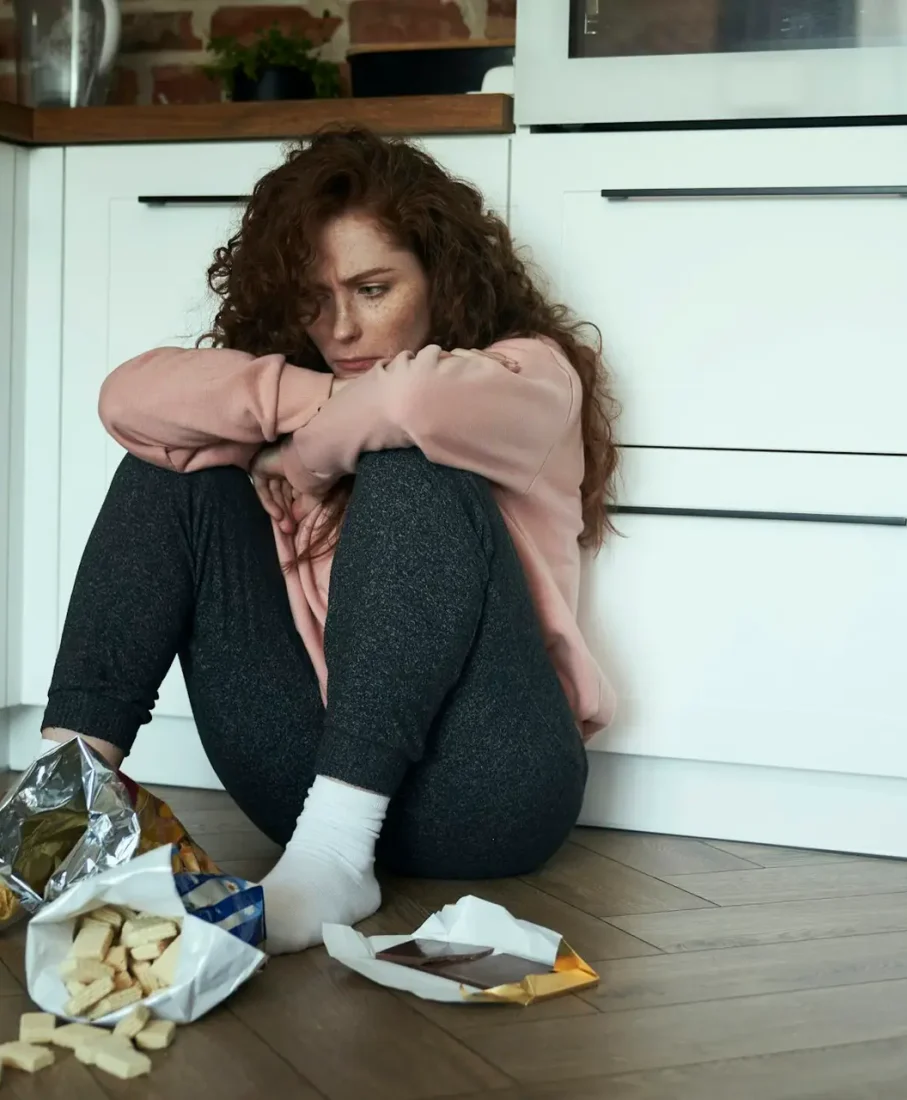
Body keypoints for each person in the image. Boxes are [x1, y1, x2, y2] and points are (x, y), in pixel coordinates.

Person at [36, 128, 619, 954]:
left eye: (374, 289)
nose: (342, 330)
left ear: (440, 277)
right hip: (298, 787)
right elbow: (128, 397)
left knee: (411, 461)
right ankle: (55, 810)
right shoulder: (314, 387)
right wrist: (305, 404)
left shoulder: (529, 377)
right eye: (315, 299)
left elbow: (413, 404)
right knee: (170, 467)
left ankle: (338, 856)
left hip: (491, 787)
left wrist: (307, 453)